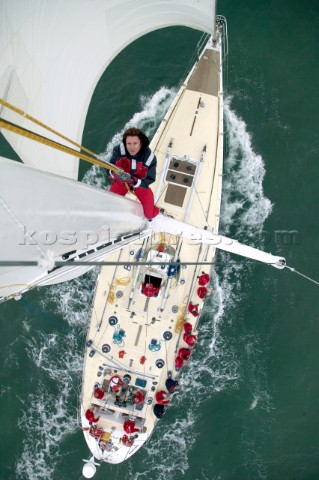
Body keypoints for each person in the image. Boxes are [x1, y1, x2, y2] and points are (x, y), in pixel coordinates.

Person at [109, 127, 160, 220]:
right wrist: (116, 174)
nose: (132, 147)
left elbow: (149, 179)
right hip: (122, 181)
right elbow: (110, 169)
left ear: (140, 142)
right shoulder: (119, 150)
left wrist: (134, 181)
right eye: (129, 143)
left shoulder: (149, 158)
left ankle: (155, 212)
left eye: (135, 143)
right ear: (125, 143)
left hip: (139, 185)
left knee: (149, 215)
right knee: (110, 204)